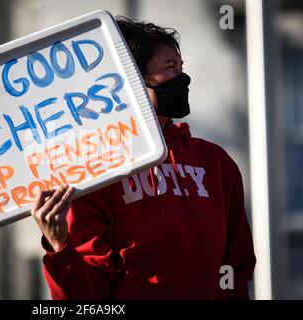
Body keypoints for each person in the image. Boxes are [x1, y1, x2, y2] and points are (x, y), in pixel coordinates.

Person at [30, 16, 256, 300]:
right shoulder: (96, 170)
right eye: (170, 68)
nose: (183, 78)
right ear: (133, 80)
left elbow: (237, 265)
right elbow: (87, 296)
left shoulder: (216, 162)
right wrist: (59, 246)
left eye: (181, 67)